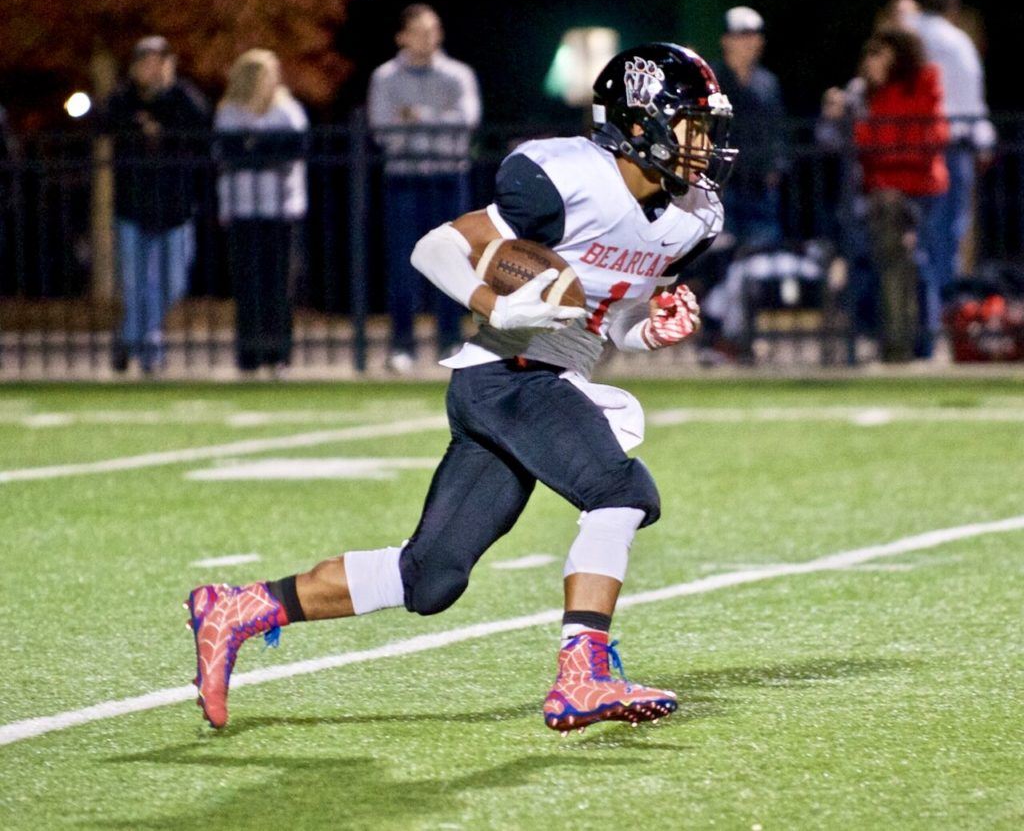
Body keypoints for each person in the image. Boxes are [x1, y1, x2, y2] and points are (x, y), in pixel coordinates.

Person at [185, 42, 736, 733]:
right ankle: (583, 672)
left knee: (430, 578)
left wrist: (650, 328)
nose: (703, 143)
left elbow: (613, 318)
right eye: (691, 124)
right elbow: (437, 246)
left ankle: (239, 607)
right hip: (507, 372)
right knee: (621, 490)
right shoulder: (567, 177)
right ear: (636, 123)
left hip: (539, 379)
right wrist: (495, 302)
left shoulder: (693, 216)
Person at [367, 4, 482, 372]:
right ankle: (403, 345)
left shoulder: (458, 74)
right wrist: (436, 124)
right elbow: (384, 130)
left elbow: (466, 121)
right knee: (404, 264)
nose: (428, 38)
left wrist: (417, 118)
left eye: (433, 30)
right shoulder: (385, 77)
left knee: (452, 261)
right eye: (419, 31)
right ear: (402, 36)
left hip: (448, 177)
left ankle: (450, 340)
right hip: (404, 178)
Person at [102, 36, 210, 373]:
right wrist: (136, 123)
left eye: (159, 61)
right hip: (132, 208)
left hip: (175, 208)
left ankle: (128, 337)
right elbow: (100, 123)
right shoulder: (123, 99)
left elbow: (201, 124)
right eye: (145, 62)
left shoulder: (182, 98)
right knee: (136, 285)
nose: (152, 68)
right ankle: (151, 352)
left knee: (172, 283)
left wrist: (168, 91)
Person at [851, 27, 949, 361]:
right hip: (883, 193)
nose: (873, 62)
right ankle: (903, 342)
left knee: (912, 264)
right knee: (895, 262)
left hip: (920, 188)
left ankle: (906, 343)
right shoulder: (870, 92)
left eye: (882, 54)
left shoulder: (922, 81)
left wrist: (888, 161)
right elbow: (864, 143)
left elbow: (929, 137)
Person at [696, 6, 786, 361]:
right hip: (723, 189)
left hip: (759, 189)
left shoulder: (767, 83)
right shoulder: (712, 81)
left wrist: (775, 167)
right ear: (726, 40)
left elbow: (777, 132)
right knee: (721, 261)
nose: (747, 44)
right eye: (739, 36)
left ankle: (740, 337)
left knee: (756, 263)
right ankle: (715, 337)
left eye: (752, 36)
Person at [215, 49, 308, 374]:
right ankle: (249, 354)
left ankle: (279, 353)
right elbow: (230, 155)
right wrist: (262, 151)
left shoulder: (288, 111)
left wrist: (255, 149)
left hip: (281, 210)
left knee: (279, 284)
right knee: (247, 284)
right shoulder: (229, 113)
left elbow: (292, 150)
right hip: (242, 208)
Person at [910, 0, 996, 296]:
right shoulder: (959, 43)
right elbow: (971, 100)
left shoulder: (908, 35)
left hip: (902, 146)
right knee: (946, 230)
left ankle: (917, 309)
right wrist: (984, 142)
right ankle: (943, 305)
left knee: (914, 231)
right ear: (953, 9)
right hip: (950, 146)